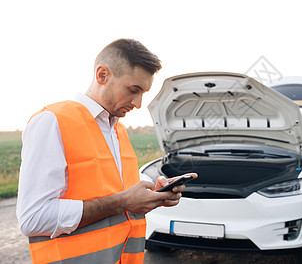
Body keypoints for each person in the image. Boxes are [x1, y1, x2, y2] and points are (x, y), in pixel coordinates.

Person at [16, 38, 197, 264]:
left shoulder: (118, 130)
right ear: (102, 75)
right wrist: (123, 202)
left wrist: (153, 195)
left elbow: (118, 192)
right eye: (133, 90)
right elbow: (33, 218)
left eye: (143, 92)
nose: (139, 103)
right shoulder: (52, 122)